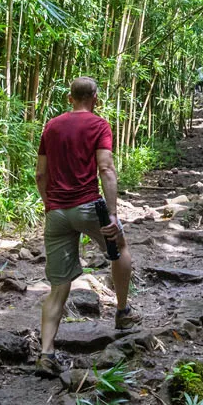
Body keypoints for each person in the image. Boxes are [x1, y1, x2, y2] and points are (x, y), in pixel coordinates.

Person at [34, 77, 139, 377]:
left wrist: (50, 204)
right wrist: (113, 214)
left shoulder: (51, 126)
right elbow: (105, 167)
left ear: (70, 98)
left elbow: (40, 174)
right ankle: (122, 312)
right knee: (119, 248)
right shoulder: (99, 125)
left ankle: (46, 353)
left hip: (57, 212)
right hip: (88, 206)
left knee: (58, 287)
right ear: (95, 98)